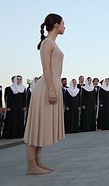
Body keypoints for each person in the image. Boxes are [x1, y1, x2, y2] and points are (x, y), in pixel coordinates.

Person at [24, 13, 65, 175]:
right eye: (63, 23)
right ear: (56, 25)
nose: (64, 26)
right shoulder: (47, 43)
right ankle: (30, 165)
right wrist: (51, 90)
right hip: (46, 88)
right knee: (35, 126)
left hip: (51, 86)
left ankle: (38, 161)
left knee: (41, 126)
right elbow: (46, 68)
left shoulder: (52, 43)